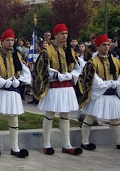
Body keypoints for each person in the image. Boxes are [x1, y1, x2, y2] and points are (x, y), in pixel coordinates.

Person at [33, 23, 84, 156]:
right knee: (49, 115)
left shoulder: (70, 51)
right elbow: (41, 69)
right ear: (55, 35)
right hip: (54, 87)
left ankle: (67, 144)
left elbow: (77, 67)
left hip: (66, 87)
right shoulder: (47, 51)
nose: (64, 36)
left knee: (65, 116)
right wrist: (56, 75)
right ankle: (47, 144)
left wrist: (71, 75)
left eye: (66, 34)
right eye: (62, 34)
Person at [0, 29, 32, 158]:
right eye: (7, 40)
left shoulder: (17, 56)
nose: (10, 42)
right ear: (2, 41)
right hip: (1, 91)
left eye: (12, 40)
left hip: (13, 92)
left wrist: (19, 82)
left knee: (14, 120)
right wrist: (5, 82)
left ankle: (15, 147)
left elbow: (26, 72)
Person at [78, 35, 120, 152]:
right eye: (104, 45)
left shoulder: (116, 61)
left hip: (112, 94)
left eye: (108, 45)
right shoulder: (92, 62)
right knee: (89, 118)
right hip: (98, 94)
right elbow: (94, 80)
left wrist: (115, 84)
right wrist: (111, 84)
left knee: (115, 120)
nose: (107, 47)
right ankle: (84, 142)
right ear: (97, 47)